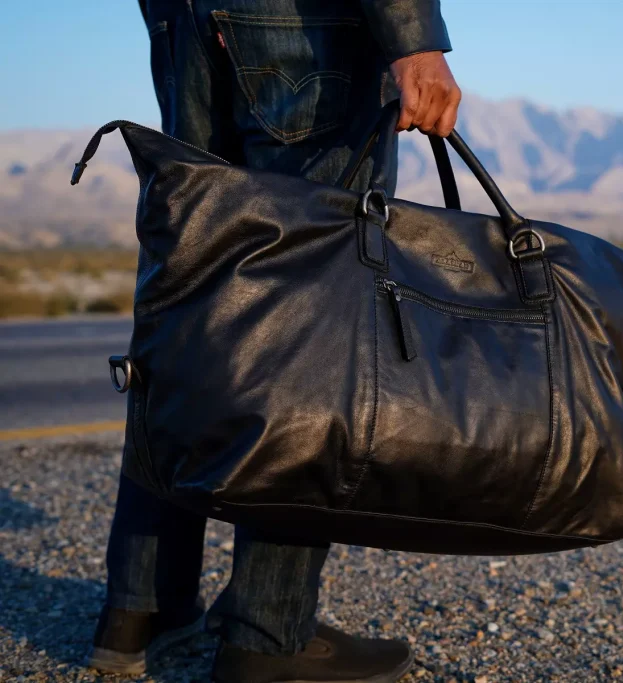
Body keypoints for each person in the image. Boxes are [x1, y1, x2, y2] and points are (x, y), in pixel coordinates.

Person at [87, 1, 462, 682]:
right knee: (313, 328)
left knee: (188, 316)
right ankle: (267, 635)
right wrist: (414, 37)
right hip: (302, 25)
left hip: (181, 18)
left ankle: (141, 609)